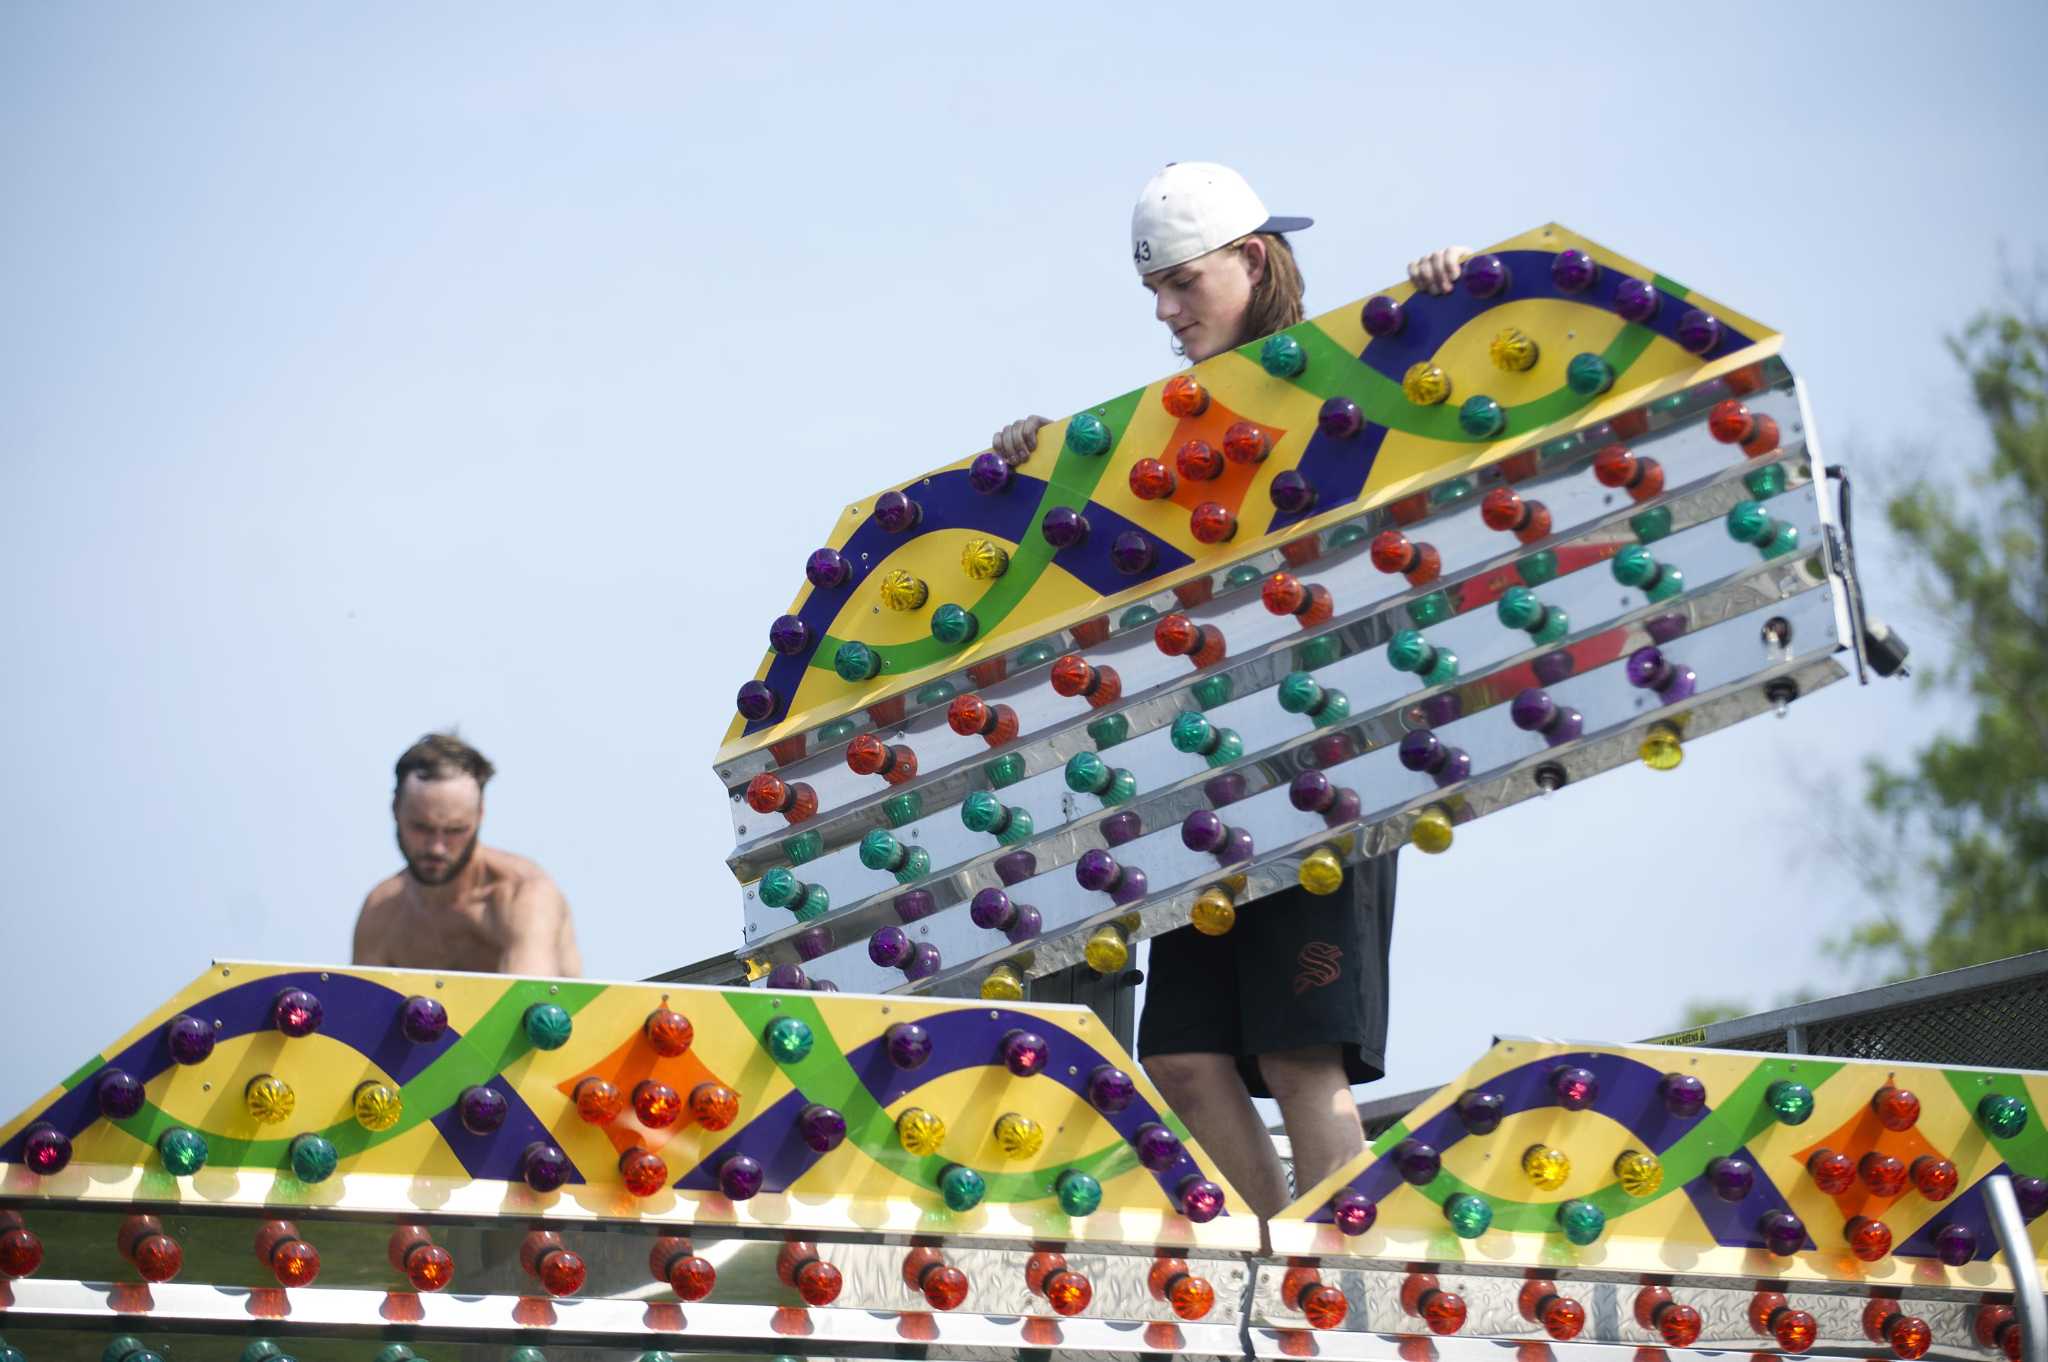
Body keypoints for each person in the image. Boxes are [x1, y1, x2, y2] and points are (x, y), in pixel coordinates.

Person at [992, 162, 1468, 1220]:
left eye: (1182, 283)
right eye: (1153, 291)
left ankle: (1340, 1298)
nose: (1165, 312)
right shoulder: (1174, 432)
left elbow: (1463, 413)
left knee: (1302, 1061)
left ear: (1252, 261)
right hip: (1207, 795)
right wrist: (1034, 463)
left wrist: (1447, 298)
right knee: (1184, 1060)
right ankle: (1275, 1270)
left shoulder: (1343, 386)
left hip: (1326, 776)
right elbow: (1092, 545)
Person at [352, 732, 584, 976]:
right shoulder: (381, 913)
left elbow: (528, 1003)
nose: (436, 847)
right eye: (422, 828)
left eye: (454, 830)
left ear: (479, 816)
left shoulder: (522, 896)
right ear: (395, 810)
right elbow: (361, 1011)